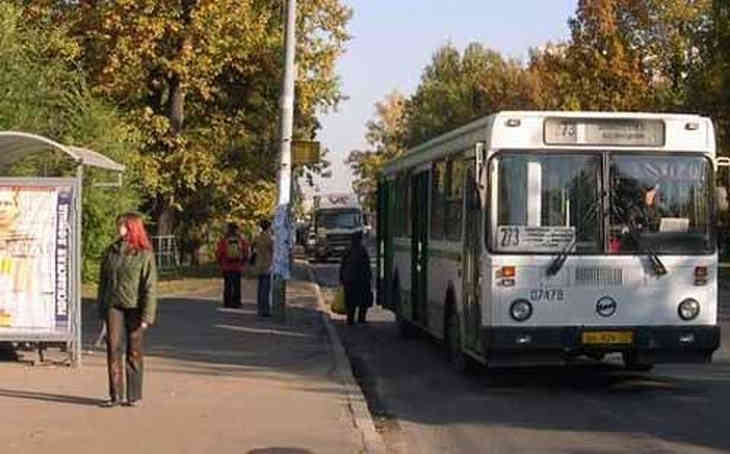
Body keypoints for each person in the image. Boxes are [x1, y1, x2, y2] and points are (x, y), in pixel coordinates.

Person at [97, 212, 157, 408]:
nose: (119, 229)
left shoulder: (144, 254)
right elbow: (103, 283)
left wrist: (147, 315)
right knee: (113, 348)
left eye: (122, 225)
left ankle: (134, 395)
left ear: (132, 228)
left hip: (135, 307)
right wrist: (102, 309)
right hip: (113, 306)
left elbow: (150, 286)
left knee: (134, 350)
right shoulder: (110, 251)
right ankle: (115, 395)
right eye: (118, 225)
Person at [339, 230, 372, 325]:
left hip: (349, 280)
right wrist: (369, 277)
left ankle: (350, 319)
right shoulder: (362, 250)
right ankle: (361, 319)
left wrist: (341, 278)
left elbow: (343, 265)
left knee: (350, 301)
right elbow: (366, 266)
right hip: (361, 280)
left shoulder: (348, 250)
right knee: (363, 301)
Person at [216, 223, 249, 308]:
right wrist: (243, 262)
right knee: (237, 285)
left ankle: (227, 302)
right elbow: (245, 252)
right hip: (237, 266)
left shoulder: (224, 240)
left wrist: (220, 262)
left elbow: (219, 253)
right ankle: (236, 302)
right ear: (236, 229)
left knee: (227, 285)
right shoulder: (240, 240)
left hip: (226, 266)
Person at [251, 219, 273, 317]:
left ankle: (260, 308)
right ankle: (265, 309)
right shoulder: (270, 239)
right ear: (268, 227)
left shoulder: (257, 237)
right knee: (266, 288)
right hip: (267, 265)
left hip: (258, 264)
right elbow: (273, 251)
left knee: (260, 288)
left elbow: (252, 249)